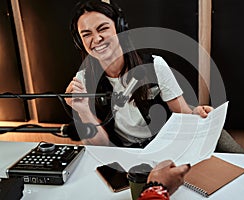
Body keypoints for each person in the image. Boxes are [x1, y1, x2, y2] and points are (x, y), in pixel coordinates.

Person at [65, 0, 213, 147]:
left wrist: (196, 115)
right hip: (123, 157)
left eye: (103, 29)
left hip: (164, 148)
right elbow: (102, 146)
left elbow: (182, 114)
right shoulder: (82, 82)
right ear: (80, 42)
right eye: (86, 34)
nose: (96, 39)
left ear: (120, 29)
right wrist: (84, 111)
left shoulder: (155, 65)